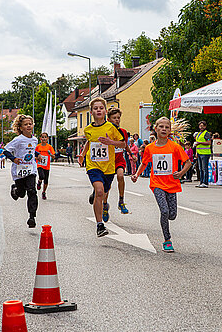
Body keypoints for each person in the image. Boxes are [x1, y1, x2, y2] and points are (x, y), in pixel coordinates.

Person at [131, 117, 191, 252]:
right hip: (157, 184)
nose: (164, 129)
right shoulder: (150, 148)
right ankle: (167, 240)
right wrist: (136, 174)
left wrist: (181, 174)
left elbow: (188, 163)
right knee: (164, 211)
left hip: (172, 184)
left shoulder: (175, 147)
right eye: (161, 127)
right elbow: (144, 163)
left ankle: (167, 224)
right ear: (156, 129)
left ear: (170, 130)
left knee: (172, 215)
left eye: (166, 127)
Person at [78, 97, 125, 237]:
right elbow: (89, 142)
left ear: (105, 111)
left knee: (104, 191)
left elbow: (122, 144)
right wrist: (82, 154)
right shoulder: (88, 129)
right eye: (95, 108)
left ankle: (96, 192)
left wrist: (110, 142)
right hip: (93, 165)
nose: (98, 110)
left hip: (109, 167)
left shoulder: (111, 128)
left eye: (101, 108)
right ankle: (100, 225)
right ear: (91, 112)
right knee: (100, 192)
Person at [3, 114, 41, 228]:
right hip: (19, 171)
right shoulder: (18, 140)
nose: (29, 126)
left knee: (32, 191)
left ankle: (32, 217)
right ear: (20, 127)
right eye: (26, 124)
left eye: (30, 124)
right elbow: (5, 150)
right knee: (21, 194)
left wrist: (37, 154)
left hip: (30, 169)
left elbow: (31, 151)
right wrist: (14, 159)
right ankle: (15, 189)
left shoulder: (34, 139)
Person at [102, 107, 135, 217]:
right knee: (107, 186)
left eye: (118, 118)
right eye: (114, 118)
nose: (117, 120)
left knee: (120, 176)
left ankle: (121, 201)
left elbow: (125, 145)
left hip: (119, 160)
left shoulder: (123, 132)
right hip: (108, 161)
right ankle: (105, 205)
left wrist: (131, 154)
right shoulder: (105, 131)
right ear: (108, 119)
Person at [36, 132, 55, 200]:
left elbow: (54, 156)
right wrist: (37, 158)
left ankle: (44, 192)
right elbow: (34, 155)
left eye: (45, 137)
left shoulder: (49, 147)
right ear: (40, 138)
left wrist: (50, 154)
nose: (44, 138)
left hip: (47, 165)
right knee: (41, 176)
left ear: (47, 138)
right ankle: (39, 181)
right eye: (42, 137)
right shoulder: (38, 146)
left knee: (46, 181)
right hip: (40, 164)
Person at [195, 120, 211, 188]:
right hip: (199, 153)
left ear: (205, 126)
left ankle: (205, 182)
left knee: (204, 168)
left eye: (202, 126)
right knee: (200, 168)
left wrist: (200, 143)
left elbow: (209, 142)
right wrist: (196, 152)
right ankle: (201, 182)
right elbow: (196, 144)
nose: (201, 127)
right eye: (200, 126)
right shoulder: (198, 134)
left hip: (205, 153)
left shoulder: (206, 133)